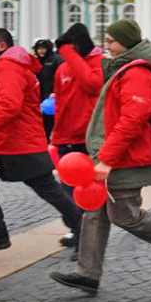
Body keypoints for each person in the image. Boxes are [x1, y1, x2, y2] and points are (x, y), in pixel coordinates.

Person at [50, 20, 151, 295]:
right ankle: (87, 274)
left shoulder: (137, 73)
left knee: (124, 215)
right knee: (95, 212)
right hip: (115, 154)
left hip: (127, 157)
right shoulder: (124, 68)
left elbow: (132, 120)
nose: (106, 45)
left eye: (111, 40)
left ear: (126, 42)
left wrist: (107, 160)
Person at [0, 28, 83, 254]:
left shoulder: (8, 66)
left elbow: (10, 106)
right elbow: (6, 103)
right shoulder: (6, 64)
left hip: (18, 143)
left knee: (47, 188)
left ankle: (81, 229)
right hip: (6, 142)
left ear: (1, 46)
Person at [51, 23, 104, 224]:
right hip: (66, 138)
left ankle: (87, 230)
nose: (68, 51)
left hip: (88, 137)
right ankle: (76, 228)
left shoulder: (99, 62)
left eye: (71, 47)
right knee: (68, 190)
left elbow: (92, 84)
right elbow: (59, 104)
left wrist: (69, 55)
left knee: (89, 189)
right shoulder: (62, 69)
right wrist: (56, 136)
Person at [33, 39, 61, 139]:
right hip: (39, 95)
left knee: (50, 120)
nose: (41, 51)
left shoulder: (56, 60)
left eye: (43, 48)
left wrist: (55, 91)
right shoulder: (36, 61)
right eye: (39, 48)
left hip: (52, 96)